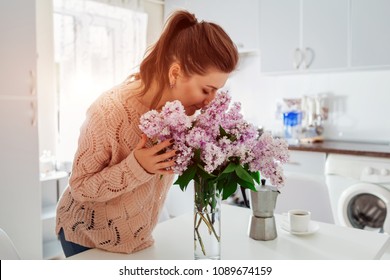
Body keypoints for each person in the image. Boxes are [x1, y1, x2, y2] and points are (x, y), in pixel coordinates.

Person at [56, 10, 239, 257]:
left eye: (217, 91)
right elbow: (80, 187)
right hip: (87, 237)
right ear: (175, 73)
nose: (210, 101)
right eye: (207, 90)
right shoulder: (110, 110)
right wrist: (138, 166)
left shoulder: (182, 115)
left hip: (138, 240)